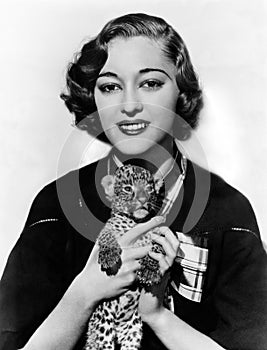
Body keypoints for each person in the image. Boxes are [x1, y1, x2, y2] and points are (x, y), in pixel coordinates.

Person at [0, 12, 266, 350]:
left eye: (151, 83)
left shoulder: (228, 212)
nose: (129, 105)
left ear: (179, 92)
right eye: (110, 86)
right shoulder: (56, 205)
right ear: (92, 99)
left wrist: (158, 315)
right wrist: (84, 293)